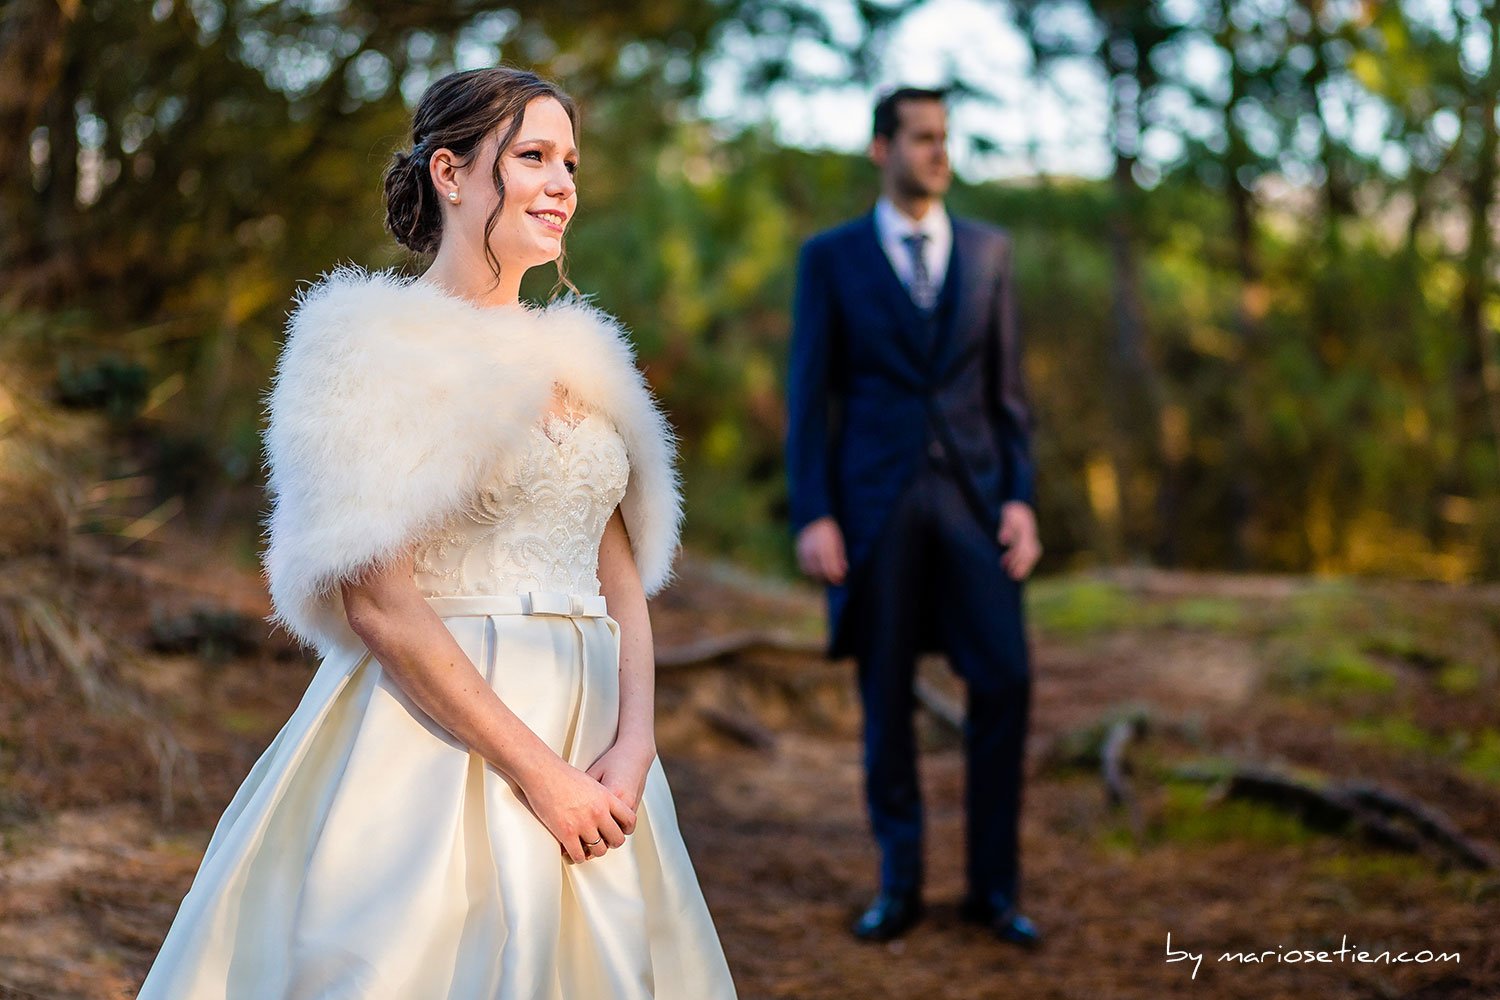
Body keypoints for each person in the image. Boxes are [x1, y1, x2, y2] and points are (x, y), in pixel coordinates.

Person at [137, 67, 737, 999]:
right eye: (533, 156)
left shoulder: (587, 358)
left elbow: (618, 578)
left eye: (570, 161)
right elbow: (379, 603)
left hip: (599, 743)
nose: (562, 182)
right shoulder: (367, 347)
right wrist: (539, 776)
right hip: (433, 738)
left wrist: (635, 744)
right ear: (451, 175)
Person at [784, 86, 1043, 946]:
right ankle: (900, 886)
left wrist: (1020, 499)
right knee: (885, 697)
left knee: (1005, 680)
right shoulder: (831, 258)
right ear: (881, 148)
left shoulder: (990, 250)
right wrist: (814, 511)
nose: (938, 152)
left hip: (974, 503)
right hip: (873, 508)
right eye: (922, 138)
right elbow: (808, 396)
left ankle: (994, 892)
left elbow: (1009, 396)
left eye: (944, 138)